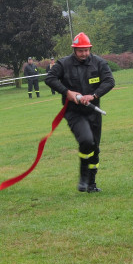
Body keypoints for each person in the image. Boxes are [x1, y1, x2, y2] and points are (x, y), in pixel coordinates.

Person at [45, 32, 115, 193]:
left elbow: (110, 81)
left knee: (95, 148)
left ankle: (91, 183)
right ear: (74, 50)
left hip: (93, 112)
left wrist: (94, 95)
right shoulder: (63, 64)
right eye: (80, 50)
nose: (84, 53)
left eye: (86, 50)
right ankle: (83, 177)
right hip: (74, 112)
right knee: (86, 140)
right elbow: (50, 78)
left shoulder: (99, 63)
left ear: (90, 49)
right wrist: (67, 92)